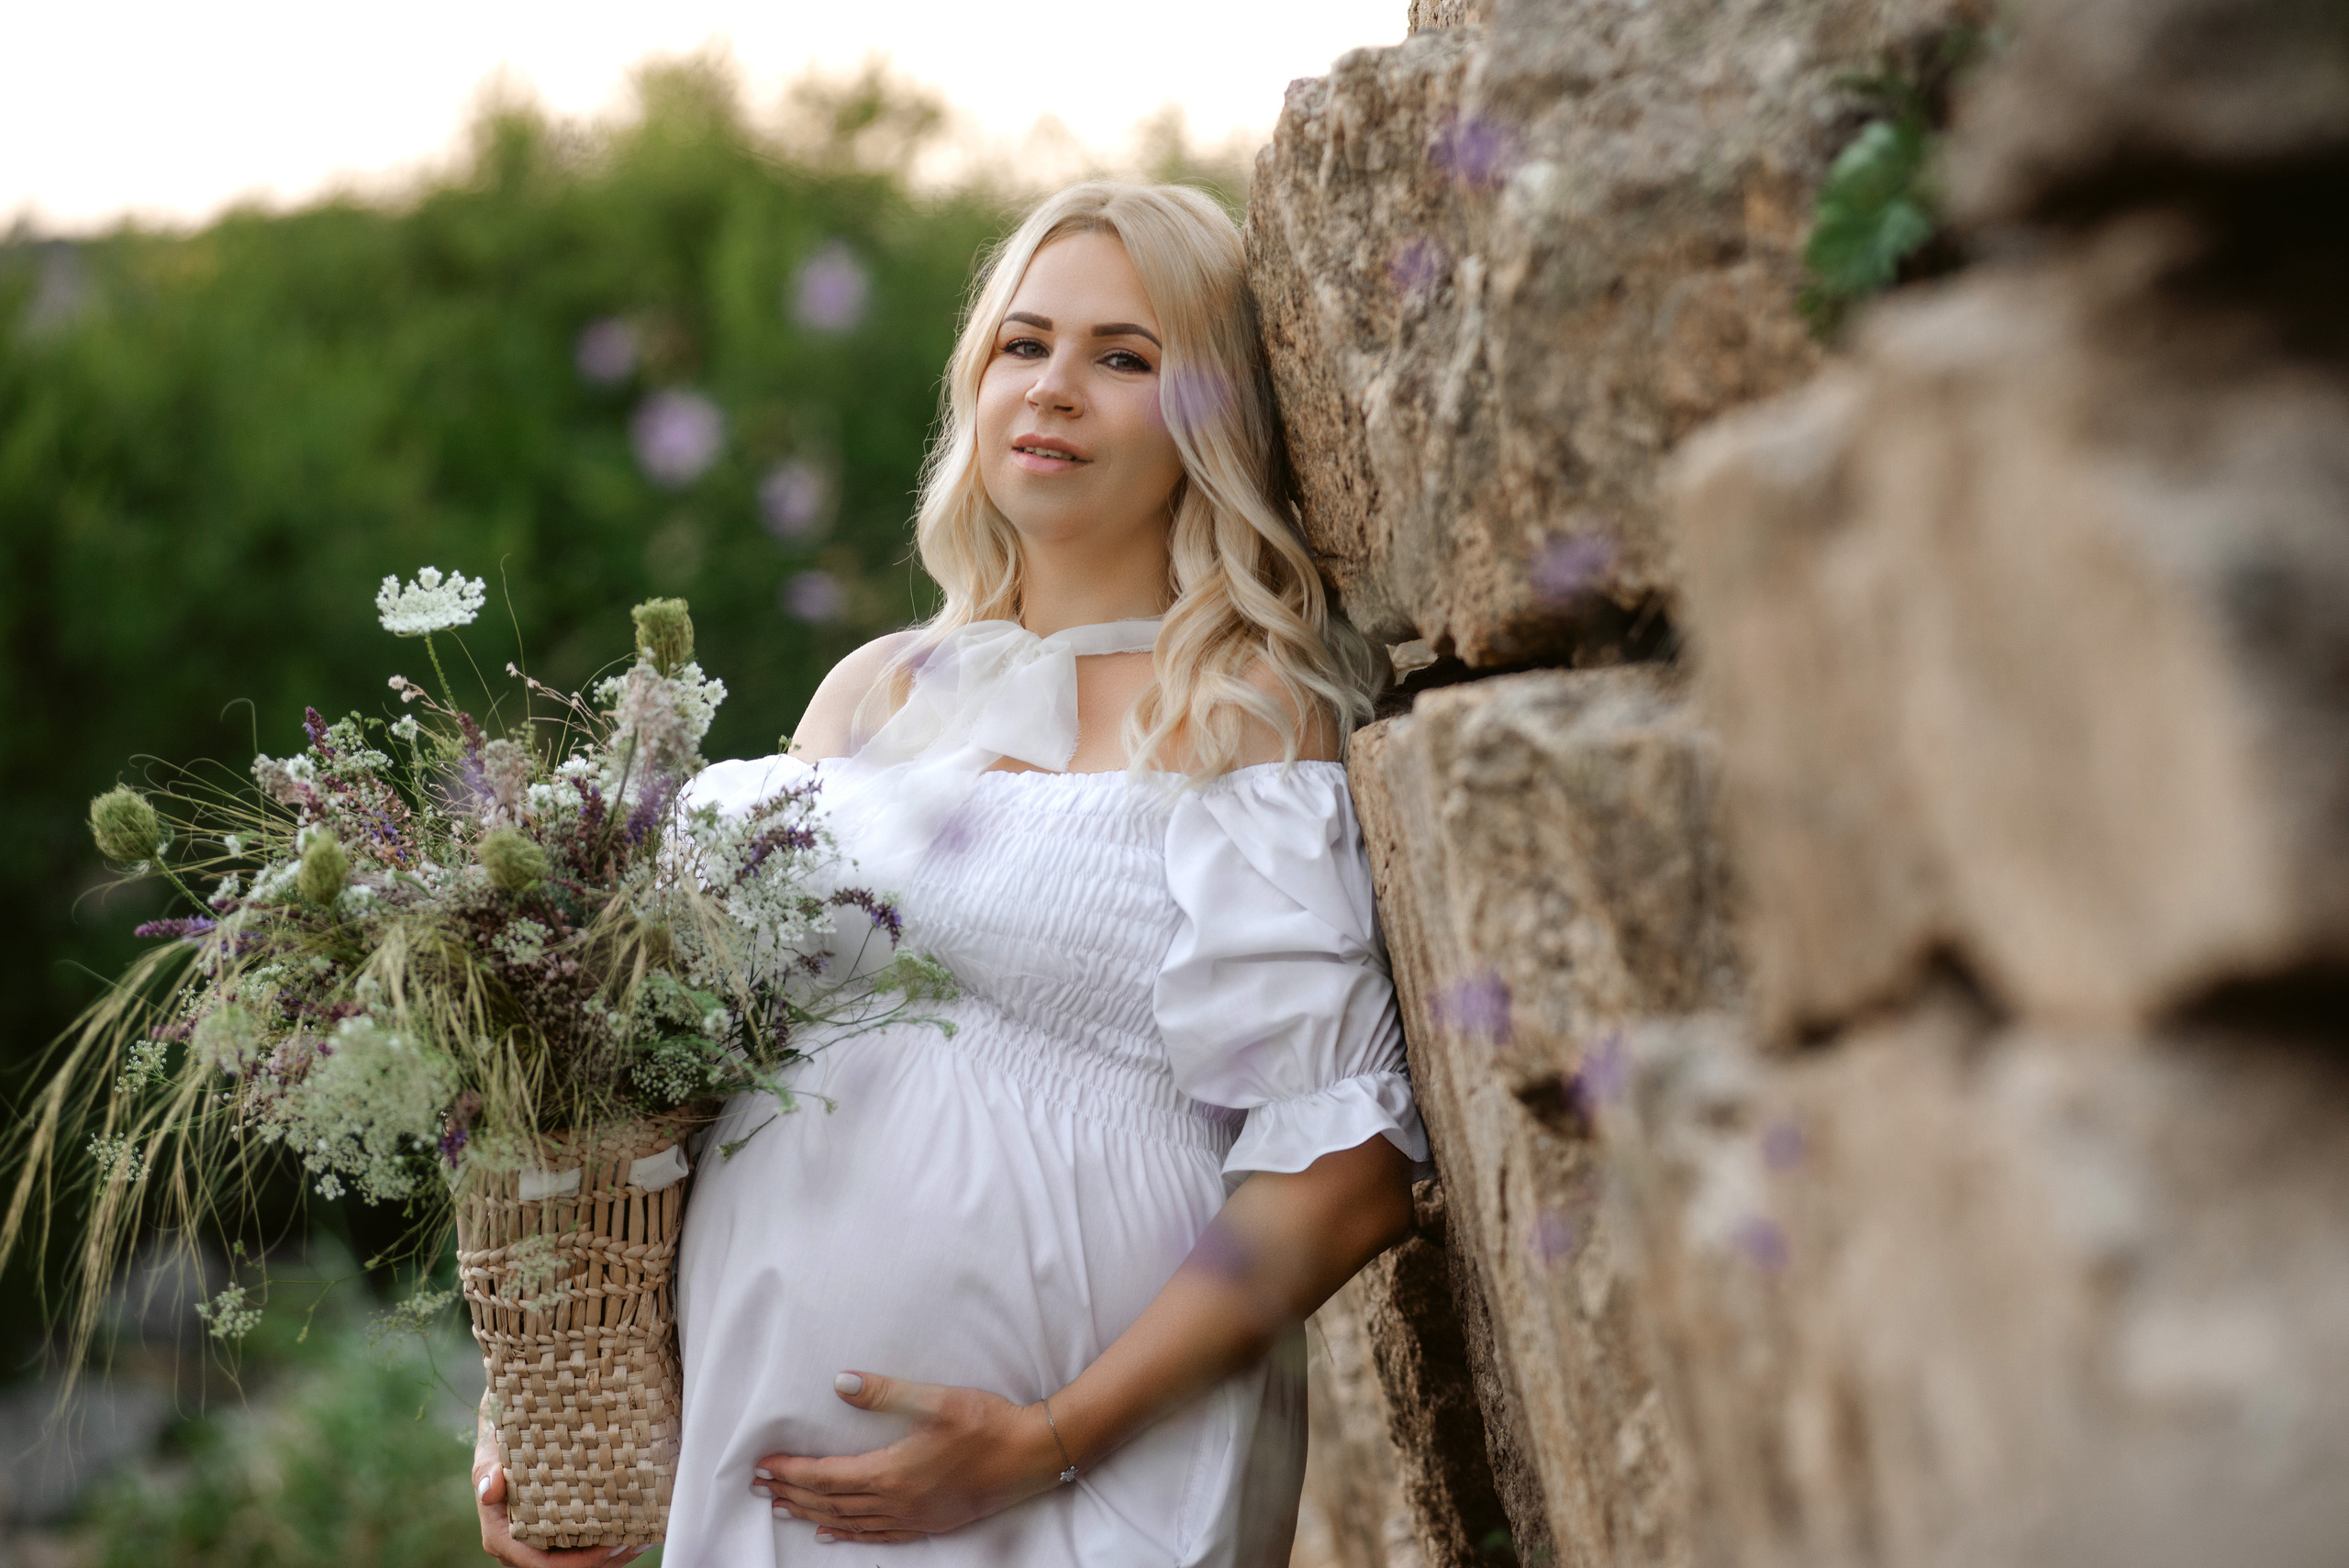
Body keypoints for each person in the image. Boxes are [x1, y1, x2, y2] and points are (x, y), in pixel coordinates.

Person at [474, 181, 1429, 1567]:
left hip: (1083, 1479)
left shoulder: (1248, 710)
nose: (1054, 389)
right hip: (763, 1463)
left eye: (1125, 356)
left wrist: (1048, 1434)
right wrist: (547, 1398)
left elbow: (1342, 1169)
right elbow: (645, 1085)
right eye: (1022, 344)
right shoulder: (871, 696)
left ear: (1215, 413)